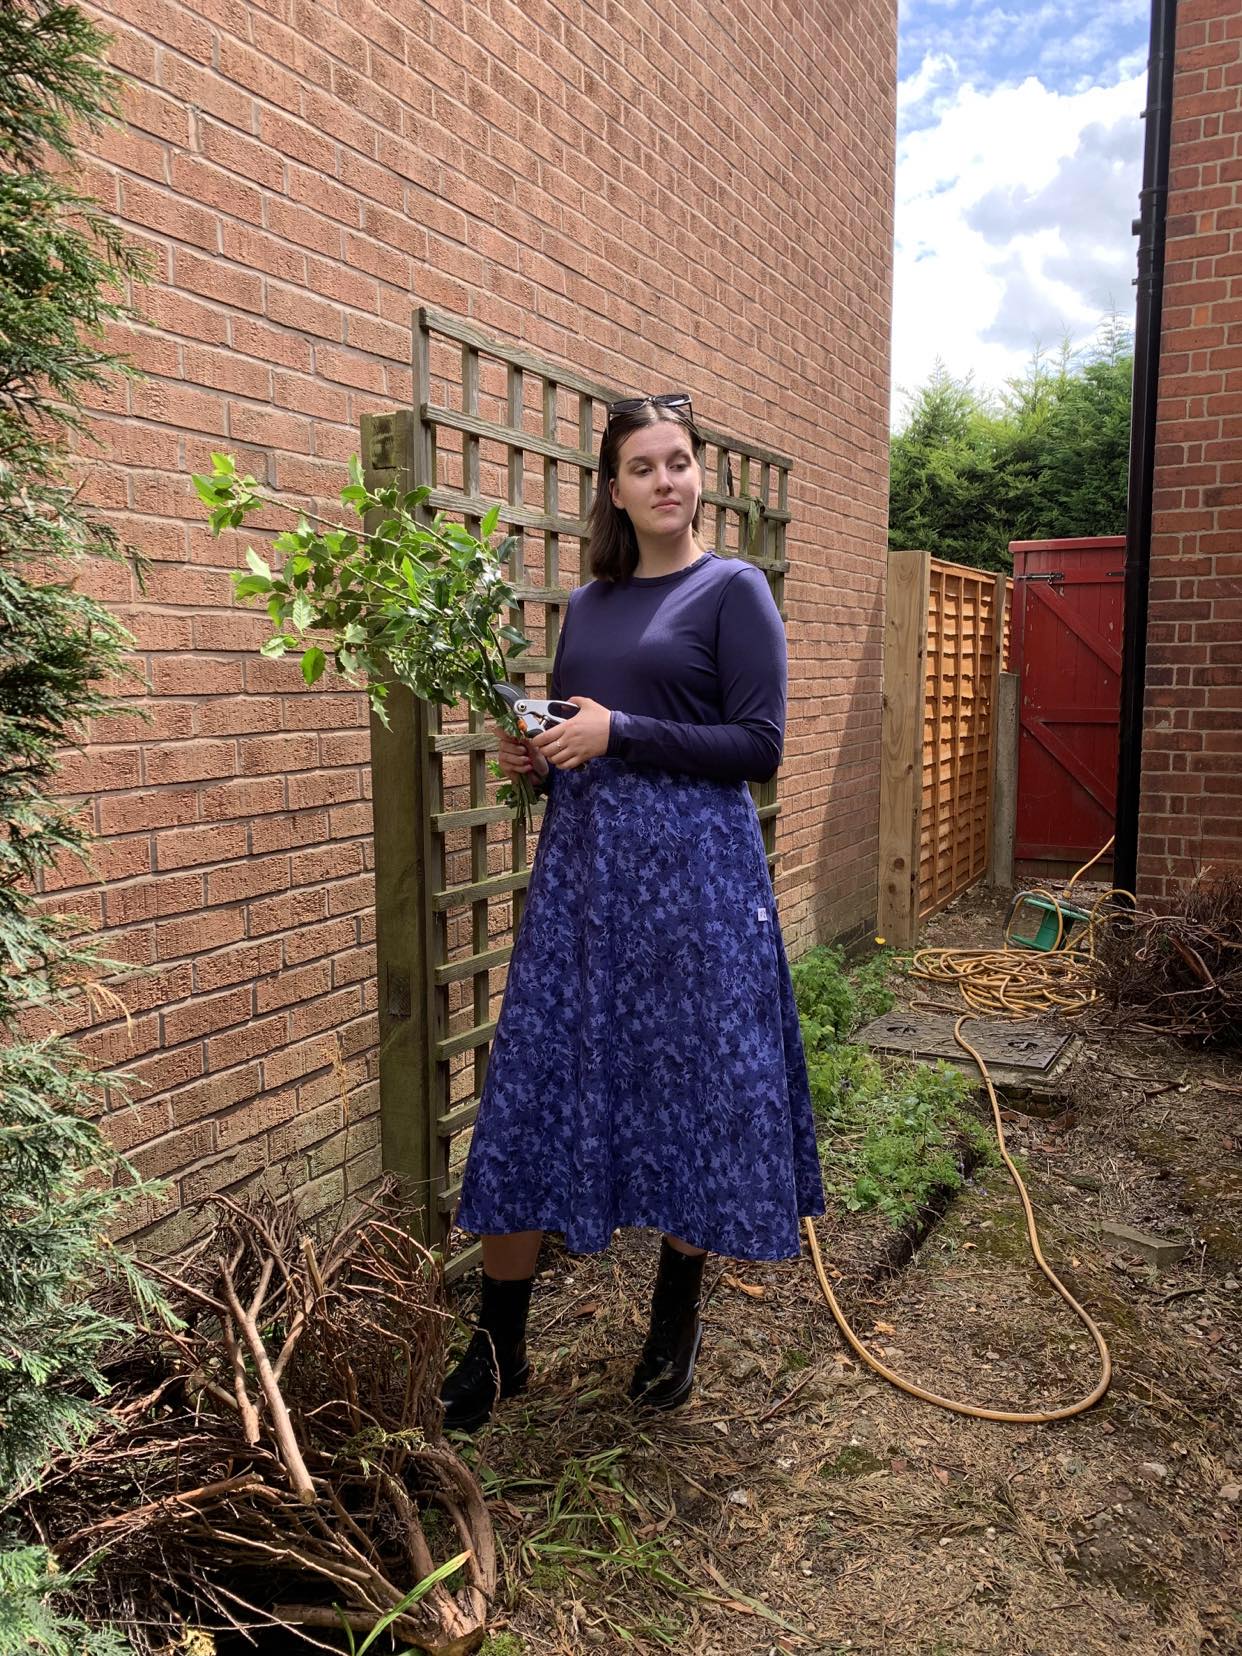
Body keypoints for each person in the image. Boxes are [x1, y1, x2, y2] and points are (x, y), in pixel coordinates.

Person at [441, 392, 825, 1432]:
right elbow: (581, 742)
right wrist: (541, 755)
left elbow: (759, 747)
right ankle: (499, 1344)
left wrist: (622, 731)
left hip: (697, 885)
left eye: (681, 461)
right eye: (644, 466)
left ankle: (673, 1321)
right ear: (612, 488)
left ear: (702, 476)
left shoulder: (732, 590)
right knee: (532, 1088)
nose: (667, 480)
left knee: (689, 1088)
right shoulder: (588, 606)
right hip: (587, 887)